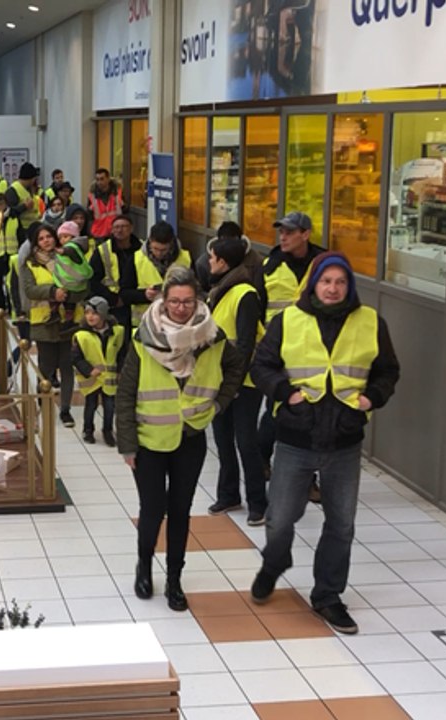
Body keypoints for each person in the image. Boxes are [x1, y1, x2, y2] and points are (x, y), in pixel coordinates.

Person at [249, 253, 400, 634]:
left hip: (345, 438)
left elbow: (388, 370)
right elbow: (261, 365)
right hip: (296, 436)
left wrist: (372, 398)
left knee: (341, 524)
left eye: (340, 282)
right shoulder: (289, 320)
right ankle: (274, 562)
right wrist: (285, 392)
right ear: (313, 283)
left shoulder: (370, 322)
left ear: (349, 285)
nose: (333, 288)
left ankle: (328, 596)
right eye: (326, 281)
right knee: (280, 518)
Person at [116, 266, 245, 611]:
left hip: (191, 437)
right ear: (163, 301)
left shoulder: (212, 337)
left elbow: (235, 367)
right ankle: (144, 566)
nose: (181, 308)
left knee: (180, 510)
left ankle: (174, 579)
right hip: (149, 439)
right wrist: (126, 444)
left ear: (198, 300)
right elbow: (126, 393)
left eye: (188, 301)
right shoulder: (143, 338)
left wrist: (219, 403)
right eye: (174, 301)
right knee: (153, 509)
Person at [261, 211, 326, 497]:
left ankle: (307, 479)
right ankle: (262, 457)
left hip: (316, 352)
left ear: (305, 234)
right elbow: (258, 311)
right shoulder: (269, 266)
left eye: (289, 232)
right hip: (280, 352)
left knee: (312, 414)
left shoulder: (324, 265)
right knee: (277, 410)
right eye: (281, 232)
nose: (283, 237)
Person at [205, 232, 268, 526]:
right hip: (220, 380)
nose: (208, 261)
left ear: (225, 262)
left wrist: (235, 383)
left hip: (244, 383)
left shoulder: (245, 294)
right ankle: (229, 494)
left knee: (246, 441)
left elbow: (245, 344)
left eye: (213, 257)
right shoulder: (220, 289)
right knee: (223, 439)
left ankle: (259, 502)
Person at [19, 224, 87, 429]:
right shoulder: (28, 264)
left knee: (67, 366)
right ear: (35, 243)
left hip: (69, 321)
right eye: (41, 238)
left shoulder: (65, 257)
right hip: (44, 322)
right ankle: (43, 404)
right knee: (46, 368)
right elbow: (30, 290)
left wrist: (68, 295)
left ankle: (65, 410)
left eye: (49, 236)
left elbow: (82, 283)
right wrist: (52, 292)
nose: (46, 241)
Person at [72, 297, 124, 447]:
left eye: (94, 313)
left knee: (109, 406)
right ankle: (88, 430)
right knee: (91, 405)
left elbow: (122, 352)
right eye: (87, 313)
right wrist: (88, 370)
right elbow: (76, 357)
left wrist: (121, 370)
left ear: (103, 314)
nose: (90, 316)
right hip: (92, 379)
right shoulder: (81, 335)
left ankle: (107, 430)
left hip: (110, 378)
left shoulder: (117, 332)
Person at [129, 222, 193, 328]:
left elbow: (195, 289)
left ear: (171, 244)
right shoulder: (136, 259)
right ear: (150, 241)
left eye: (163, 250)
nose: (158, 253)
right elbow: (124, 293)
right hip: (145, 324)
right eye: (155, 248)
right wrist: (144, 295)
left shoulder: (186, 259)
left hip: (177, 323)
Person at [90, 215, 141, 331]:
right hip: (114, 303)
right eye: (116, 227)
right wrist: (112, 299)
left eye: (124, 226)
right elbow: (93, 279)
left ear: (131, 228)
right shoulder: (103, 250)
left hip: (137, 301)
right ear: (112, 230)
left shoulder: (142, 248)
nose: (120, 230)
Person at [4, 163, 43, 249]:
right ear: (32, 179)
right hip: (20, 231)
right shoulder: (13, 191)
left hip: (32, 229)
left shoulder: (30, 189)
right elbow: (9, 213)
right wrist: (24, 207)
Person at [87, 168, 124, 240]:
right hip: (98, 232)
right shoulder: (92, 195)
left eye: (102, 179)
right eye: (97, 179)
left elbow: (125, 210)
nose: (99, 182)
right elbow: (89, 215)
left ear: (108, 179)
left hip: (115, 231)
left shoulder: (118, 193)